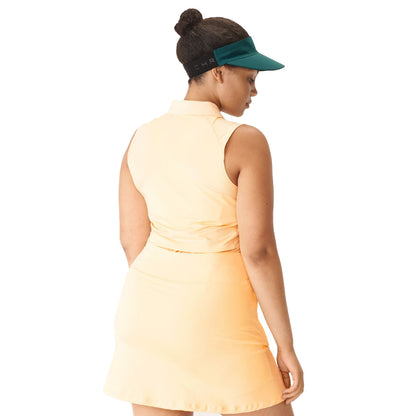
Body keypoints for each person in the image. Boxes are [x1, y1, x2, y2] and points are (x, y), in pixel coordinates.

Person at [103, 8, 304, 416]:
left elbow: (131, 241)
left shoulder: (141, 138)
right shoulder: (244, 141)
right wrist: (285, 345)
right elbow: (259, 251)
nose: (254, 91)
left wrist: (170, 296)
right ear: (218, 72)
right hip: (220, 315)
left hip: (148, 315)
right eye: (250, 79)